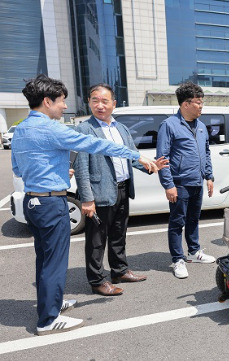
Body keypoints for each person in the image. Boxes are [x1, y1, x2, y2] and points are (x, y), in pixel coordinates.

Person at [11, 74, 159, 336]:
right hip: (50, 203)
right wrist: (136, 154)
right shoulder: (52, 128)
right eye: (61, 102)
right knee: (55, 262)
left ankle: (52, 304)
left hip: (33, 201)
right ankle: (47, 319)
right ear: (47, 101)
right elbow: (95, 144)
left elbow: (18, 168)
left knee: (44, 259)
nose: (65, 107)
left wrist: (55, 171)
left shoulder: (21, 127)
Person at [74, 83, 168, 296]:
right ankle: (97, 280)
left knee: (119, 234)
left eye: (104, 101)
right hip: (99, 193)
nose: (100, 105)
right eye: (95, 100)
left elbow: (132, 156)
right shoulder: (85, 129)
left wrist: (151, 166)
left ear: (113, 104)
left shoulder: (121, 128)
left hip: (123, 189)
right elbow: (81, 167)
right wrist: (87, 199)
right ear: (89, 102)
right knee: (97, 240)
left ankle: (119, 270)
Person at [156, 82, 216, 279]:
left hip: (197, 181)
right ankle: (177, 259)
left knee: (193, 219)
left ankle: (193, 252)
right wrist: (169, 185)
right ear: (185, 104)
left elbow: (206, 152)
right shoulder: (169, 125)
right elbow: (162, 159)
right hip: (179, 183)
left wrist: (209, 176)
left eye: (201, 103)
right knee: (177, 222)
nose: (201, 106)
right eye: (198, 103)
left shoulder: (200, 126)